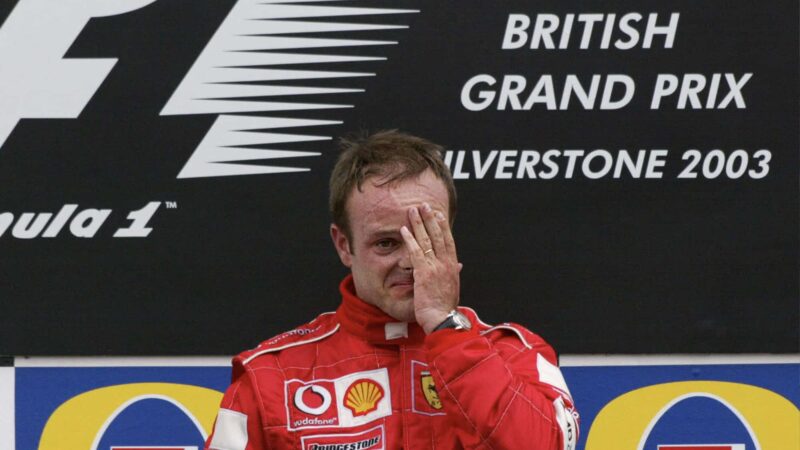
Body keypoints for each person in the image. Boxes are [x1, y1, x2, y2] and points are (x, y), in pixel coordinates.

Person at [205, 130, 579, 450]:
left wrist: (446, 329)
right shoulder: (271, 376)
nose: (411, 261)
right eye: (386, 243)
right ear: (344, 245)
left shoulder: (516, 355)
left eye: (426, 238)